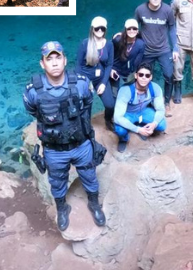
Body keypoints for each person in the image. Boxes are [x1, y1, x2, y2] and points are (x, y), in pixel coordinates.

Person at [23, 41, 106, 231]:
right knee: (57, 181)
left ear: (65, 60)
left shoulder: (82, 83)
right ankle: (62, 208)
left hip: (81, 145)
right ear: (42, 64)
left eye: (57, 57)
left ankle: (94, 204)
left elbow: (87, 106)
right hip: (54, 150)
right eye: (49, 59)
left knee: (90, 176)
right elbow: (34, 112)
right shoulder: (33, 91)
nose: (54, 63)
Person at [134, 0, 179, 117]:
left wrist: (175, 48)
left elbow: (171, 28)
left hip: (163, 49)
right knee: (144, 77)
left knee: (168, 75)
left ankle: (166, 103)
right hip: (146, 50)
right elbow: (133, 28)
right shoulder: (140, 10)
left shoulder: (167, 10)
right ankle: (146, 101)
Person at [113, 63, 167, 153]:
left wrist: (154, 123)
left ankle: (143, 125)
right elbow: (117, 117)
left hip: (143, 111)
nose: (144, 78)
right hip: (128, 114)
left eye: (147, 75)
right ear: (136, 76)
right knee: (120, 130)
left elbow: (160, 110)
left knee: (161, 125)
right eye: (141, 74)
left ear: (150, 77)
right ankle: (124, 139)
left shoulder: (155, 88)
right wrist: (138, 130)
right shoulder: (126, 90)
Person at [76, 17, 116, 130]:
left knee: (110, 105)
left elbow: (109, 65)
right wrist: (82, 83)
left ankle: (108, 119)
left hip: (100, 79)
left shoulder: (108, 44)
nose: (99, 30)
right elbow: (78, 65)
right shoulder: (85, 43)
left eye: (102, 28)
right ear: (92, 29)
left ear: (105, 30)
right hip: (85, 79)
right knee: (86, 108)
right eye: (97, 28)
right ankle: (85, 127)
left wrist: (103, 83)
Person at [110, 19, 145, 98]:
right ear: (125, 30)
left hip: (129, 73)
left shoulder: (140, 44)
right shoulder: (117, 40)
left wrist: (136, 74)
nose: (132, 30)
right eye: (129, 28)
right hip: (115, 72)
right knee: (115, 96)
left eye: (134, 28)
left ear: (137, 30)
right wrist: (111, 69)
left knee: (127, 95)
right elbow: (109, 54)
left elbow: (138, 62)